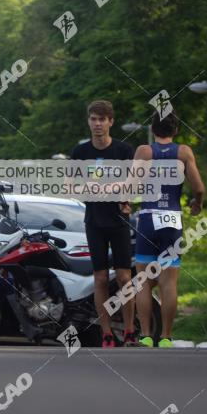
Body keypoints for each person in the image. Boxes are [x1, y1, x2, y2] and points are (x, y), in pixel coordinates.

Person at [133, 111, 205, 348]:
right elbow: (199, 188)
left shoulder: (145, 151)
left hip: (148, 217)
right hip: (172, 219)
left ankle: (144, 335)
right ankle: (166, 337)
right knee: (168, 282)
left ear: (153, 130)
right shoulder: (184, 152)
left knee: (143, 280)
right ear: (176, 131)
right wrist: (197, 203)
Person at [70, 100, 137, 348]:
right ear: (88, 121)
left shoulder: (123, 151)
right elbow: (70, 185)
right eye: (93, 119)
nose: (97, 124)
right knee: (99, 278)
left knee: (123, 277)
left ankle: (130, 329)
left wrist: (126, 197)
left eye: (102, 119)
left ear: (111, 122)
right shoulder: (81, 153)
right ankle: (106, 332)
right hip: (94, 221)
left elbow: (135, 182)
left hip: (119, 221)